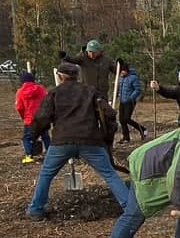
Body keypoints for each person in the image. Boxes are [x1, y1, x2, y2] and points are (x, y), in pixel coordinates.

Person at [25, 63, 129, 221]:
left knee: (46, 174)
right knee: (109, 174)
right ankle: (129, 207)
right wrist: (105, 135)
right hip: (90, 140)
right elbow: (109, 113)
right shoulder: (90, 91)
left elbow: (41, 118)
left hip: (62, 141)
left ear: (60, 76)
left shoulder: (54, 93)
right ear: (77, 76)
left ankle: (35, 210)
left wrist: (33, 135)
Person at [15, 72, 51, 164]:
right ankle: (50, 154)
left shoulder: (20, 92)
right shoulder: (41, 89)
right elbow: (47, 101)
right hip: (42, 118)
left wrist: (24, 117)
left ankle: (29, 156)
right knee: (45, 136)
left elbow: (19, 107)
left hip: (30, 119)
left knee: (27, 138)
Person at [115, 59, 148, 143]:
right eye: (121, 71)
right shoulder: (121, 78)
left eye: (123, 71)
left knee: (126, 119)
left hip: (130, 102)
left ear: (127, 70)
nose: (122, 73)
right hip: (122, 101)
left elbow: (138, 89)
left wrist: (131, 97)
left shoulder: (133, 77)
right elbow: (120, 88)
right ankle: (126, 138)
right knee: (121, 120)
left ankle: (143, 130)